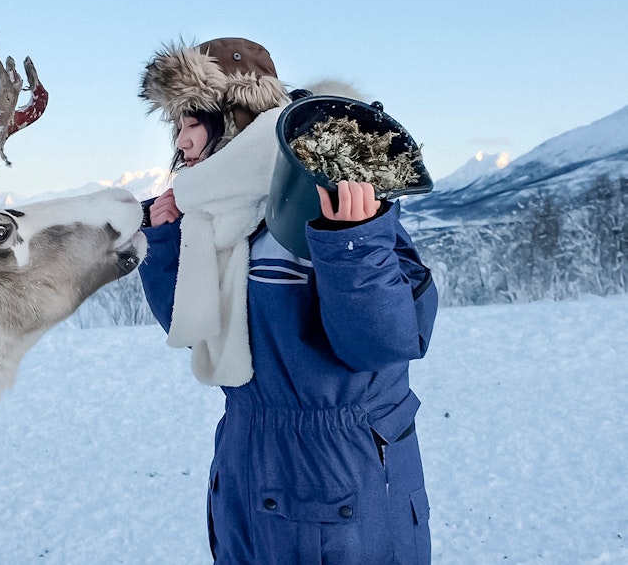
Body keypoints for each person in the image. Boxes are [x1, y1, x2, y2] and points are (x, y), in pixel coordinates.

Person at [137, 38, 438, 563]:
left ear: (234, 113)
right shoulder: (211, 214)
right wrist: (164, 246)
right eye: (177, 127)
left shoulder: (327, 185)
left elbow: (386, 341)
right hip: (248, 459)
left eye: (192, 122)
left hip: (341, 471)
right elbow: (195, 326)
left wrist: (354, 241)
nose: (182, 143)